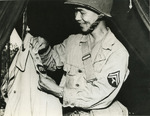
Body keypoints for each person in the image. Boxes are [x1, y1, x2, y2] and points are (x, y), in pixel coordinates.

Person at [30, 0, 129, 115]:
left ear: (100, 13)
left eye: (82, 12)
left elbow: (101, 96)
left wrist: (59, 91)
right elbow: (52, 64)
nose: (77, 17)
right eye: (76, 11)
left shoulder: (117, 52)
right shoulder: (73, 41)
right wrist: (45, 49)